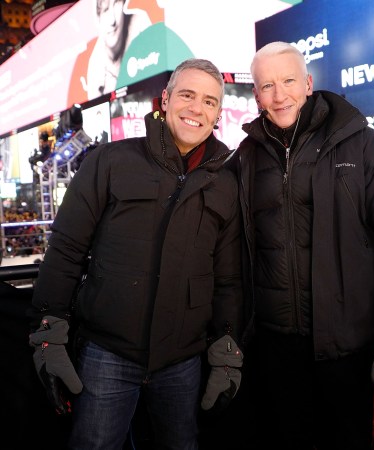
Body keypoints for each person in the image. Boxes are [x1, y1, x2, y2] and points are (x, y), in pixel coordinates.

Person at [28, 58, 244, 450]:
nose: (197, 108)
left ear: (218, 113)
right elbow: (66, 249)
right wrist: (48, 332)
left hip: (182, 362)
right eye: (188, 95)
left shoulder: (226, 183)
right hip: (107, 356)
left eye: (210, 101)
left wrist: (227, 348)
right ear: (165, 99)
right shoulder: (110, 161)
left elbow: (227, 278)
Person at [232, 41, 374, 450]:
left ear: (307, 83)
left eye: (288, 81)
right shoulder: (246, 157)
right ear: (256, 95)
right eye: (267, 85)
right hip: (274, 351)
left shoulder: (360, 144)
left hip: (347, 347)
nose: (279, 94)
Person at [87, 0, 151, 99]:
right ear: (98, 18)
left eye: (116, 3)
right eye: (105, 10)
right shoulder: (95, 67)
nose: (112, 20)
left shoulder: (140, 25)